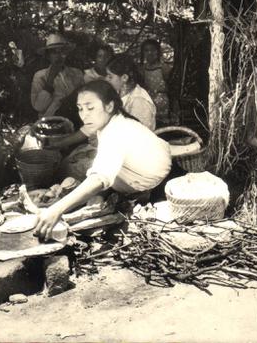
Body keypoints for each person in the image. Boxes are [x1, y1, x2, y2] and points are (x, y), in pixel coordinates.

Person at [35, 80, 171, 240]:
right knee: (83, 163)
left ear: (109, 106)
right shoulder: (112, 120)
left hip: (149, 184)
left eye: (90, 108)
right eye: (80, 108)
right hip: (144, 171)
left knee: (79, 170)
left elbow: (99, 178)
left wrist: (55, 210)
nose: (84, 114)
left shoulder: (116, 131)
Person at [30, 34, 84, 118]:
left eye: (62, 52)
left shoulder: (76, 73)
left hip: (76, 119)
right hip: (51, 122)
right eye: (54, 52)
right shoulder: (40, 76)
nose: (59, 56)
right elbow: (38, 107)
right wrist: (50, 81)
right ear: (48, 56)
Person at [105, 53, 156, 130]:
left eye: (110, 76)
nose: (106, 79)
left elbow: (139, 134)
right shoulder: (118, 93)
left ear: (124, 78)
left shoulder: (139, 101)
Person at [140, 39, 171, 125]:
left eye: (153, 50)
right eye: (146, 50)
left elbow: (170, 86)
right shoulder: (143, 69)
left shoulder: (163, 68)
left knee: (163, 124)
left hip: (162, 101)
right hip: (149, 100)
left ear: (158, 51)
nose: (150, 53)